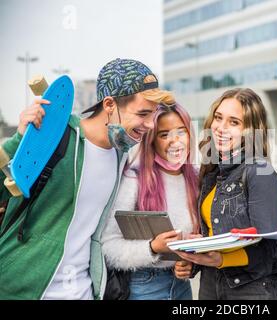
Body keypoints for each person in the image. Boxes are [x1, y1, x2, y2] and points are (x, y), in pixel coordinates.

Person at [0, 58, 174, 300]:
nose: (149, 124)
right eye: (143, 113)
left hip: (82, 290)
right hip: (26, 288)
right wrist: (20, 139)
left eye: (153, 115)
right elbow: (5, 189)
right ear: (110, 104)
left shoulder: (120, 152)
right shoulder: (56, 134)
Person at [174, 88, 277, 300]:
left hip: (249, 291)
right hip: (210, 285)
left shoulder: (259, 171)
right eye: (218, 118)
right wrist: (193, 262)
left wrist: (221, 260)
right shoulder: (211, 172)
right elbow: (212, 235)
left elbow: (270, 250)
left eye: (234, 122)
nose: (220, 128)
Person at [102, 103, 199, 300]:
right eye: (164, 135)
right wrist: (152, 247)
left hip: (181, 286)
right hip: (144, 286)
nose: (175, 141)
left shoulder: (196, 178)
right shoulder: (134, 179)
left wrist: (191, 263)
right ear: (152, 141)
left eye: (181, 131)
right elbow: (108, 246)